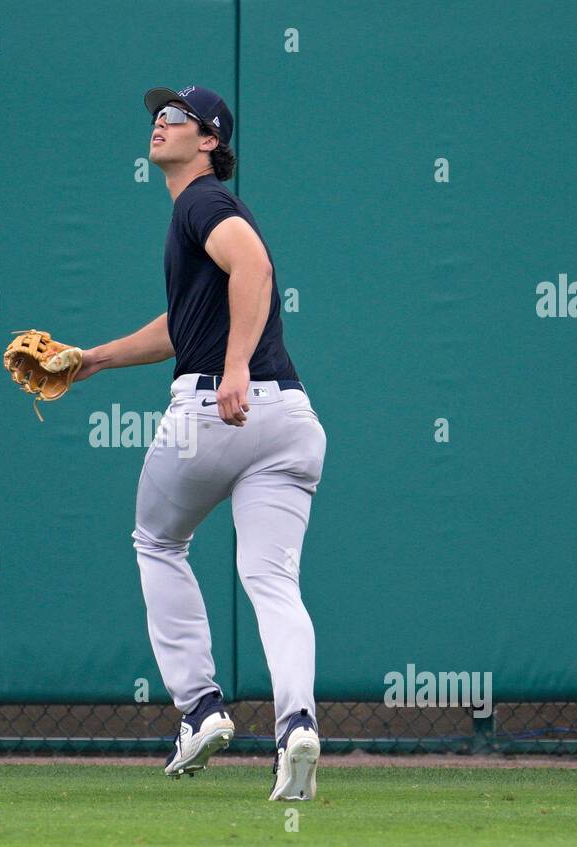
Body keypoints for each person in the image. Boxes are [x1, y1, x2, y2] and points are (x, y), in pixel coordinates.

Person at [74, 85, 327, 801]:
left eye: (177, 116)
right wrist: (95, 358)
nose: (161, 121)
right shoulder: (199, 217)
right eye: (156, 113)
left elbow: (254, 268)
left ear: (210, 139)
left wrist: (237, 367)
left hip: (216, 410)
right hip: (290, 422)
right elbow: (183, 323)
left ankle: (201, 708)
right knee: (274, 582)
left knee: (157, 541)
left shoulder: (202, 202)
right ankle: (297, 726)